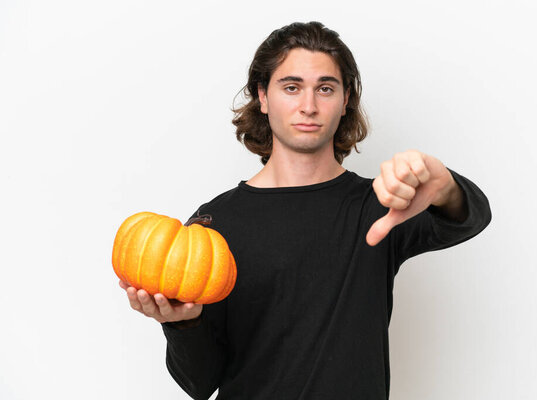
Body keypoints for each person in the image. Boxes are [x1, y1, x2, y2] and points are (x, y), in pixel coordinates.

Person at [119, 21, 492, 399]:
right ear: (262, 97)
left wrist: (445, 185)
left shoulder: (379, 206)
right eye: (292, 87)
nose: (309, 106)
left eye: (325, 89)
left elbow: (471, 218)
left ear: (346, 100)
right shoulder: (215, 225)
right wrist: (183, 325)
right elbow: (199, 383)